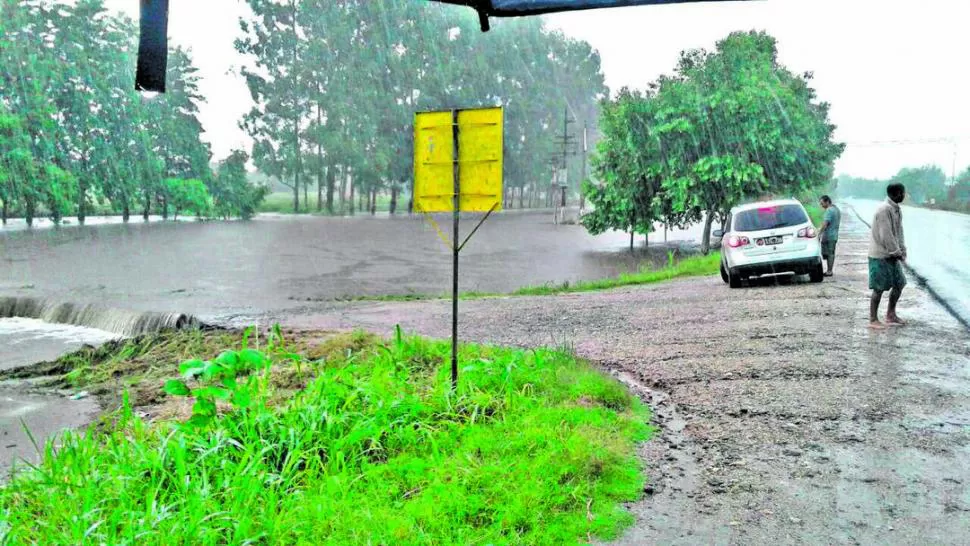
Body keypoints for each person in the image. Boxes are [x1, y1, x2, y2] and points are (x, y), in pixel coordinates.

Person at [868, 183, 907, 329]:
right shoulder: (884, 210)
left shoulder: (896, 210)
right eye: (903, 193)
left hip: (892, 255)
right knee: (879, 288)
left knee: (899, 283)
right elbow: (886, 235)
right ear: (897, 193)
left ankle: (891, 315)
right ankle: (873, 319)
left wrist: (903, 249)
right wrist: (896, 252)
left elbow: (899, 232)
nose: (904, 196)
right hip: (880, 255)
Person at [817, 195, 841, 276]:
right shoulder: (836, 209)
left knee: (829, 253)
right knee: (831, 253)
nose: (821, 205)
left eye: (822, 203)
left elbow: (825, 224)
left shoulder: (829, 210)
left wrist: (819, 233)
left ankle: (829, 271)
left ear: (827, 202)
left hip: (829, 236)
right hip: (834, 235)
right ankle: (829, 270)